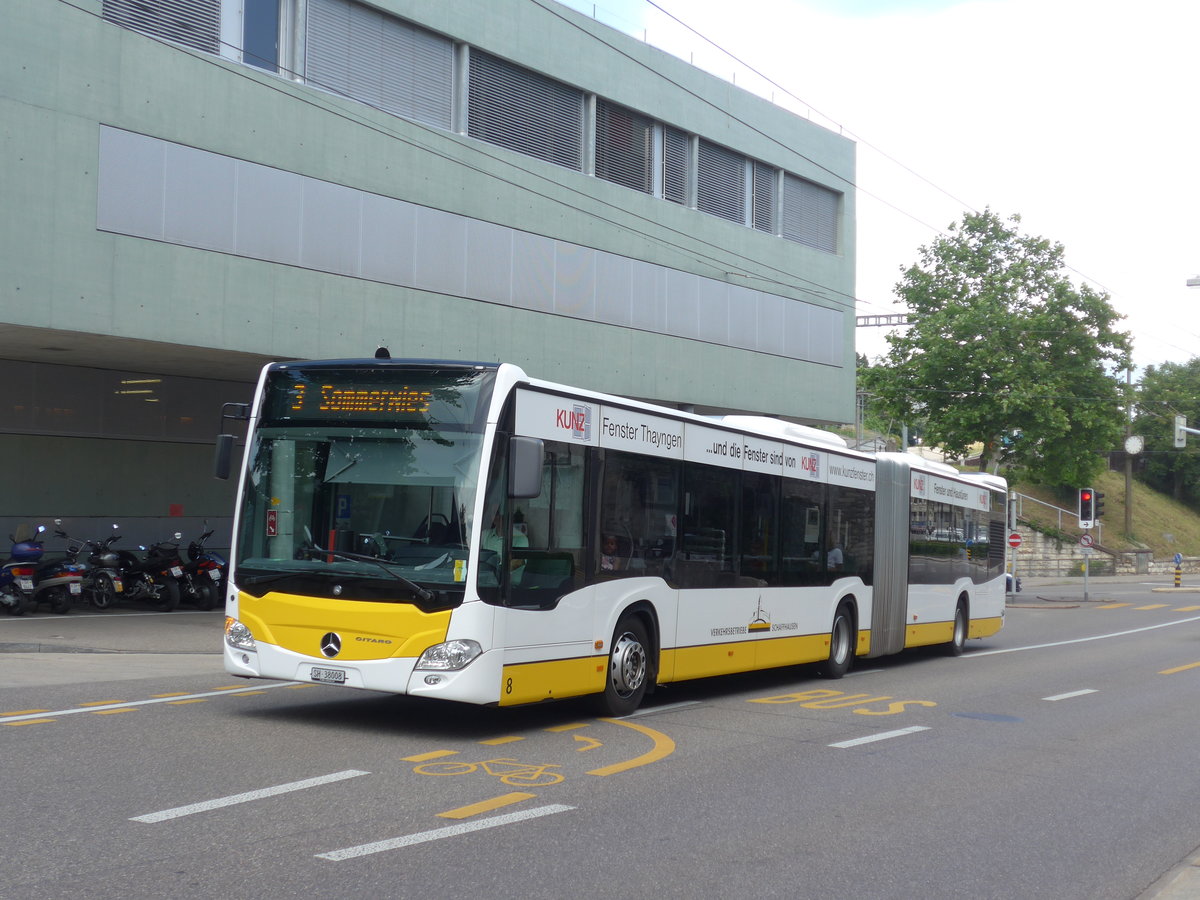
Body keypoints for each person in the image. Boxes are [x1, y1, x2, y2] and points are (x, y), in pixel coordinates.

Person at [482, 510, 528, 581]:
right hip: (483, 584)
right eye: (494, 514)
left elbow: (517, 563)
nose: (495, 517)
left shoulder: (520, 538)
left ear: (509, 518)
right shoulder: (484, 535)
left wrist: (491, 567)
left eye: (498, 514)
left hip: (509, 587)